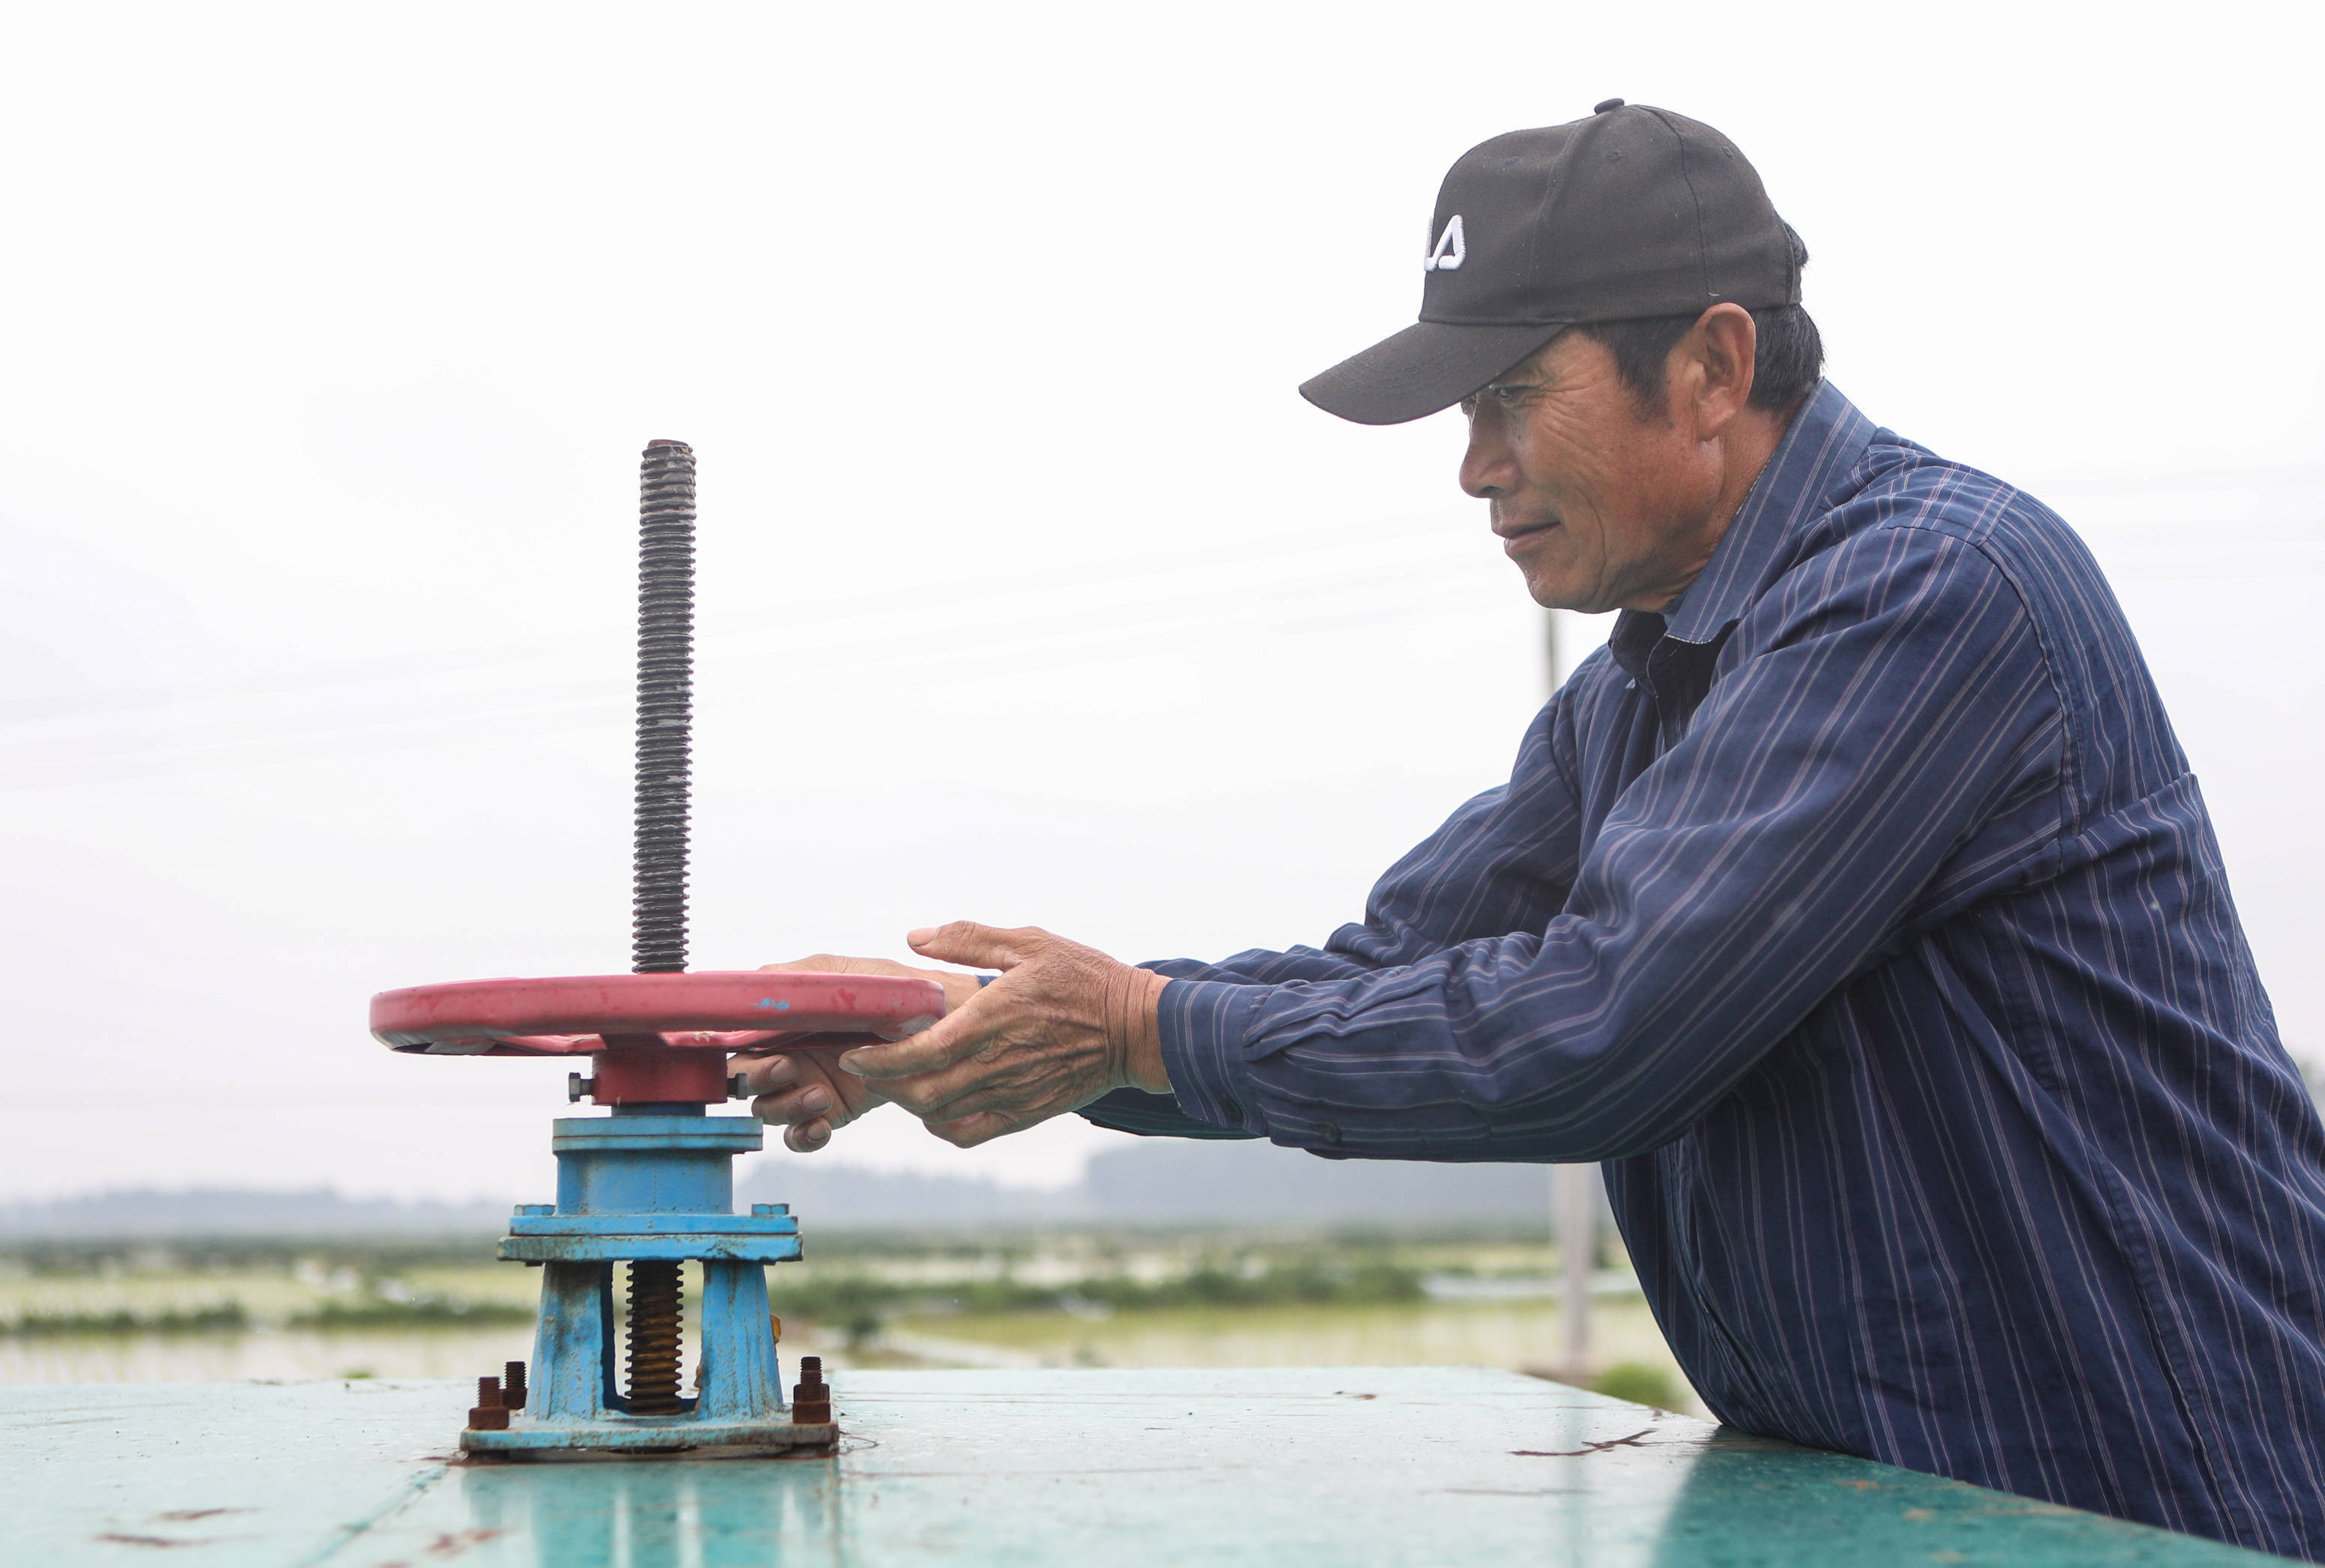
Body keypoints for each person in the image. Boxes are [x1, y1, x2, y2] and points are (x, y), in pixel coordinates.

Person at [739, 103, 2325, 1560]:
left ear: (1708, 368)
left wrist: (1143, 1027)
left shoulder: (1928, 587)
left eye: (1510, 396)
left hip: (2147, 1493)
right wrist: (955, 1031)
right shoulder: (1637, 692)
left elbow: (1598, 1023)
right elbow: (1390, 968)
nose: (1472, 466)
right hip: (1894, 1502)